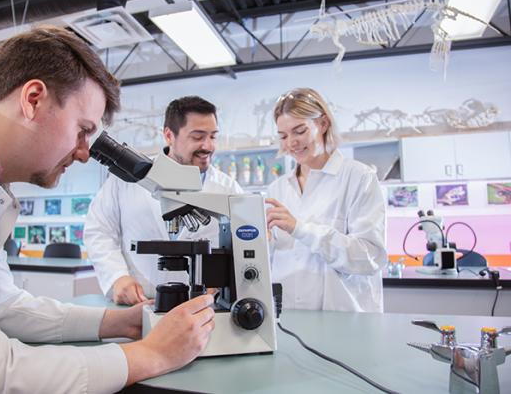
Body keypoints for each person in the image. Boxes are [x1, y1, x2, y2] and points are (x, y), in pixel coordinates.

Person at [0, 26, 215, 394]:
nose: (86, 153)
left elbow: (3, 306)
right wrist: (151, 355)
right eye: (83, 130)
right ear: (33, 99)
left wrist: (120, 323)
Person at [85, 96, 242, 305]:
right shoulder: (127, 179)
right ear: (169, 135)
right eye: (197, 137)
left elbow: (246, 241)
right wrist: (116, 277)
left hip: (203, 304)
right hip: (140, 302)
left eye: (213, 136)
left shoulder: (228, 188)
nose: (208, 146)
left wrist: (225, 280)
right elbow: (99, 230)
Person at [265, 88, 387, 312]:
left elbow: (370, 257)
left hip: (345, 320)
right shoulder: (277, 189)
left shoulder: (359, 178)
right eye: (283, 136)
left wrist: (300, 229)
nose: (291, 142)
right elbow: (272, 260)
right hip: (288, 319)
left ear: (323, 123)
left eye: (299, 131)